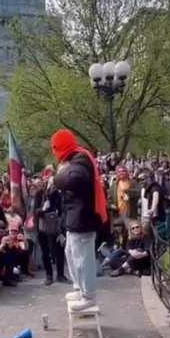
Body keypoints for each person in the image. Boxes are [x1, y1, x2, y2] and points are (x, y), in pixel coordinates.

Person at [51, 129, 107, 311]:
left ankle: (88, 295)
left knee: (83, 259)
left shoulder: (80, 160)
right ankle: (80, 288)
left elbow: (75, 179)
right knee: (71, 253)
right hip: (76, 217)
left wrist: (57, 177)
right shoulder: (78, 158)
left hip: (83, 218)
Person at [36, 177, 68, 286]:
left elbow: (64, 211)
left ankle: (60, 275)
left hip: (57, 228)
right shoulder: (40, 194)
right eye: (51, 183)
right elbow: (36, 212)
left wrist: (63, 230)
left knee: (59, 251)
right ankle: (49, 275)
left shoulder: (61, 195)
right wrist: (43, 208)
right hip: (44, 229)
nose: (53, 185)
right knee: (46, 253)